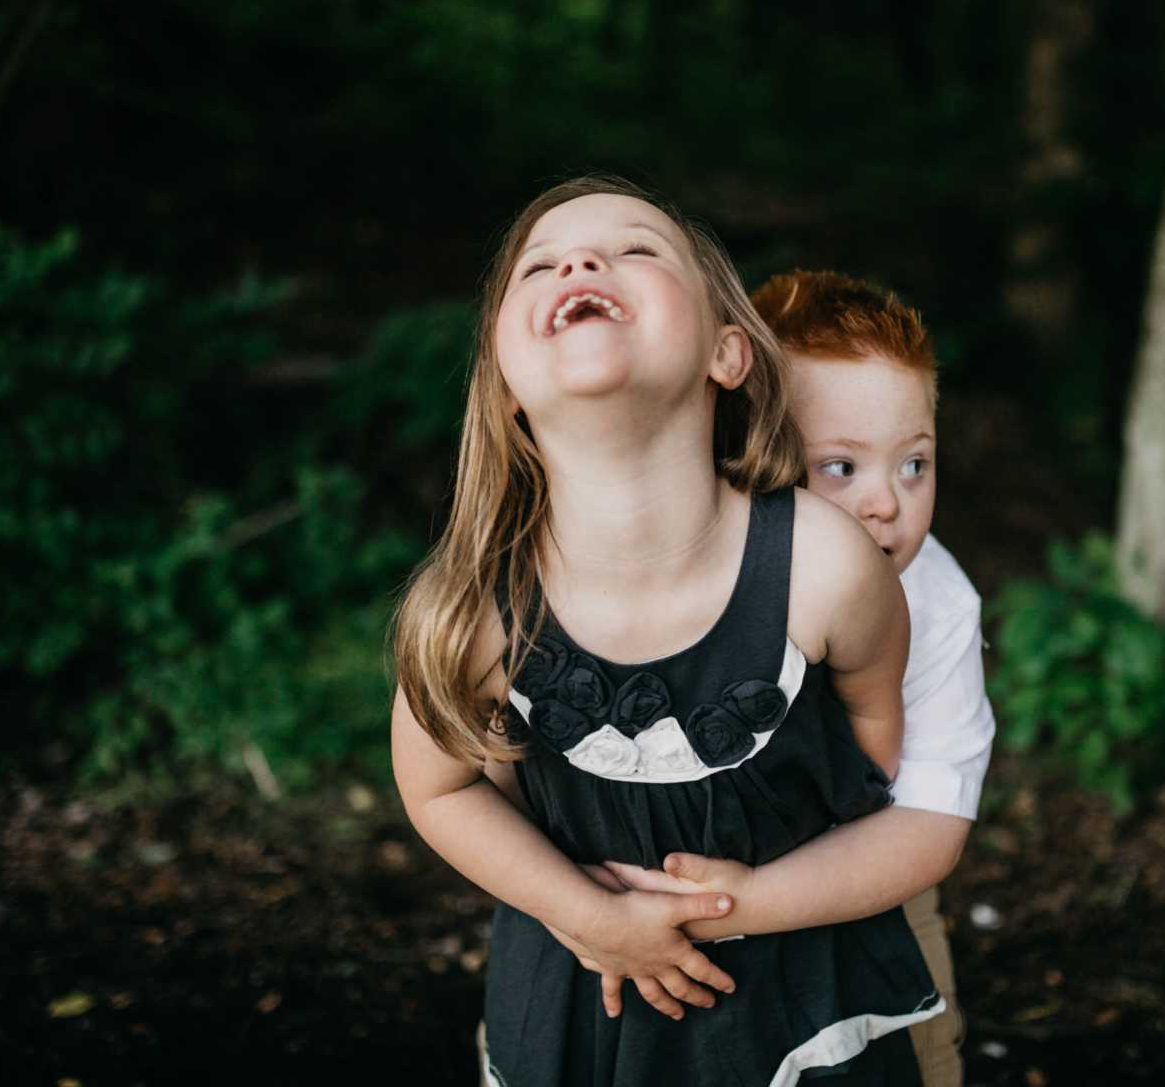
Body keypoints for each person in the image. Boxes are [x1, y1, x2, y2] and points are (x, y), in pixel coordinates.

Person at [390, 176, 941, 1087]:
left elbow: (875, 762)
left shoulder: (826, 565)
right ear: (505, 381)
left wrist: (749, 897)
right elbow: (442, 793)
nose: (579, 261)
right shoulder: (473, 607)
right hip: (580, 1003)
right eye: (540, 265)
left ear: (729, 352)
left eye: (636, 249)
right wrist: (592, 917)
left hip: (795, 995)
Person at [592, 271, 994, 1087]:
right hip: (646, 900)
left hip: (866, 889)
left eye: (914, 464)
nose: (888, 502)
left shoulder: (937, 602)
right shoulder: (676, 564)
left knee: (921, 1056)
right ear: (745, 447)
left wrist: (743, 903)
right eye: (840, 466)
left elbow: (928, 824)